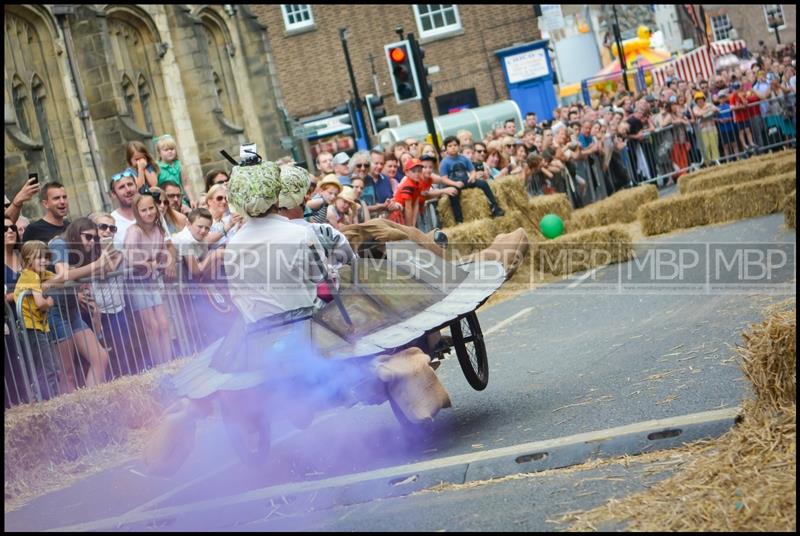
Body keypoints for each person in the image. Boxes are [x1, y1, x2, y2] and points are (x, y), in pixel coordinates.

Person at [48, 218, 115, 390]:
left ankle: (91, 404)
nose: (92, 242)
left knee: (100, 357)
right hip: (54, 311)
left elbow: (106, 270)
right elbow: (63, 274)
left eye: (95, 238)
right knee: (68, 373)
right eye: (88, 237)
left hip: (71, 309)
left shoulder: (84, 249)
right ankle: (73, 415)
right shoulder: (59, 243)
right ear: (76, 235)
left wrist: (105, 253)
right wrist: (95, 265)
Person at [87, 212, 147, 377]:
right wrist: (105, 249)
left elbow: (117, 263)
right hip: (99, 312)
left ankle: (128, 382)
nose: (108, 231)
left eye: (112, 228)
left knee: (124, 350)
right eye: (103, 227)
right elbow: (105, 271)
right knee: (106, 354)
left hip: (118, 309)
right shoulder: (88, 253)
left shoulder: (118, 251)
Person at [124, 193, 176, 366]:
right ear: (137, 212)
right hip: (137, 282)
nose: (148, 213)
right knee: (152, 327)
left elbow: (163, 251)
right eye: (143, 210)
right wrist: (148, 264)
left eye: (151, 208)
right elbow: (129, 258)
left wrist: (166, 260)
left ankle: (169, 363)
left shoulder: (158, 230)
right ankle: (159, 366)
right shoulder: (134, 231)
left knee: (164, 324)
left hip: (152, 281)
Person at [14, 241, 60, 400]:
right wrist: (50, 302)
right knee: (47, 368)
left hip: (40, 327)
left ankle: (50, 399)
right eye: (39, 257)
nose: (44, 261)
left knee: (52, 367)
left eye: (46, 257)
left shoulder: (40, 273)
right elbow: (40, 303)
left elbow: (60, 277)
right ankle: (46, 400)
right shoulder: (30, 275)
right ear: (28, 260)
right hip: (31, 328)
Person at [438, 136, 504, 223]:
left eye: (455, 145)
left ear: (459, 146)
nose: (453, 148)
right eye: (450, 146)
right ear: (446, 149)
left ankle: (495, 207)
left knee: (483, 184)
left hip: (466, 181)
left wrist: (472, 177)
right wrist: (455, 183)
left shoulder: (463, 158)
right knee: (453, 194)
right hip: (454, 183)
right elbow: (444, 179)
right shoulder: (444, 162)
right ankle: (459, 219)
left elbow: (472, 170)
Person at [155, 134, 196, 208]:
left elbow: (186, 184)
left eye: (172, 149)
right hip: (164, 200)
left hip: (178, 199)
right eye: (166, 150)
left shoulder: (179, 165)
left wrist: (191, 199)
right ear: (159, 153)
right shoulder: (157, 167)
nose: (170, 152)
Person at [204, 184, 243, 250]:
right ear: (209, 201)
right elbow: (205, 241)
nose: (224, 201)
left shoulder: (225, 220)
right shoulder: (202, 218)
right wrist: (228, 226)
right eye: (219, 198)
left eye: (226, 198)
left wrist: (240, 226)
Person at [109, 170, 139, 251]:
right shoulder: (111, 222)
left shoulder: (150, 211)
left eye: (130, 184)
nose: (128, 190)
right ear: (113, 194)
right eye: (122, 187)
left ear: (136, 187)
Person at [389, 158, 425, 226]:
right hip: (398, 214)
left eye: (419, 171)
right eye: (414, 171)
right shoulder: (408, 185)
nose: (417, 174)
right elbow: (408, 208)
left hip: (405, 212)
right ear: (407, 172)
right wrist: (410, 227)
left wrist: (413, 224)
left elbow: (416, 204)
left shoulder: (419, 183)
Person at [692, 92, 721, 166]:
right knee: (706, 145)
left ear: (704, 100)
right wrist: (708, 111)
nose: (700, 102)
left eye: (701, 100)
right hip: (703, 129)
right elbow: (697, 114)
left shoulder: (709, 104)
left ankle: (716, 159)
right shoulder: (695, 108)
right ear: (696, 102)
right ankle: (708, 162)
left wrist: (704, 112)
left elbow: (717, 109)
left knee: (714, 143)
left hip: (712, 127)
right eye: (698, 101)